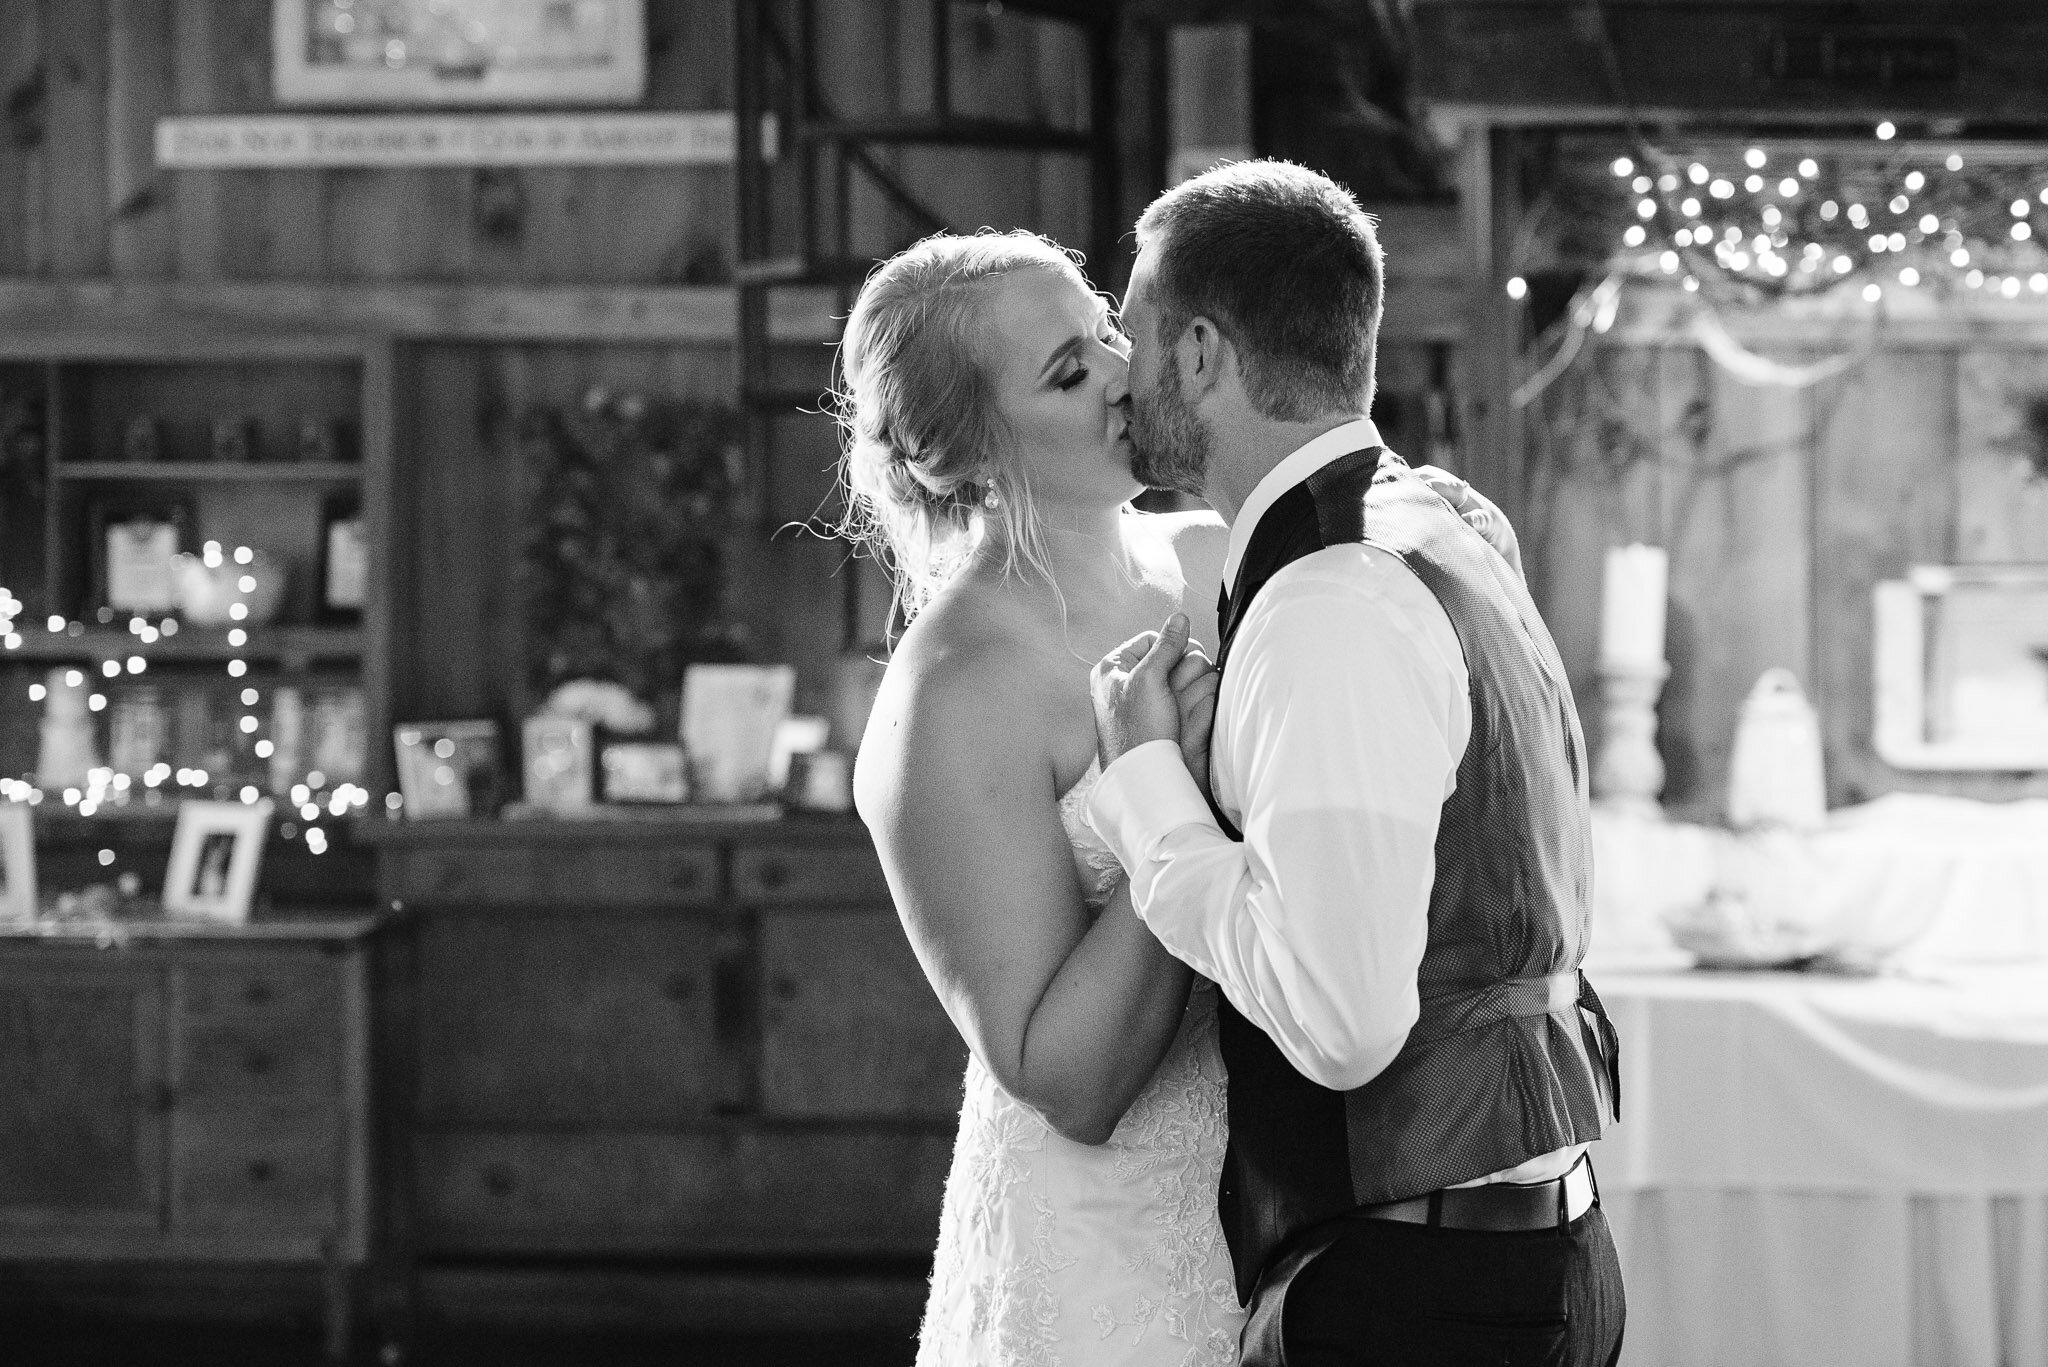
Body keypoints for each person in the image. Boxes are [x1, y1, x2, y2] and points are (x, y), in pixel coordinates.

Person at [840, 228, 1520, 1367]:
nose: (1123, 368)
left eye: (1106, 327)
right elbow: (1070, 1080)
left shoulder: (1216, 556)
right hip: (1103, 1257)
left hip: (1290, 1220)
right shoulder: (957, 693)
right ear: (962, 458)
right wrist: (1176, 783)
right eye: (1068, 370)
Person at [1085, 159, 1626, 1367]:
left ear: (1204, 352)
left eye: (1133, 332)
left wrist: (1146, 786)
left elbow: (1339, 1025)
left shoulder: (1331, 597)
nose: (1120, 372)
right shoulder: (1440, 519)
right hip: (1509, 1249)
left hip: (1416, 1289)